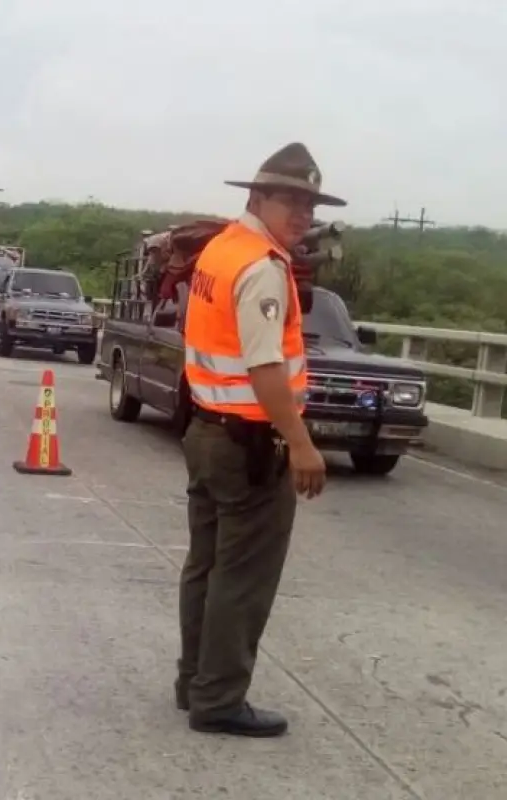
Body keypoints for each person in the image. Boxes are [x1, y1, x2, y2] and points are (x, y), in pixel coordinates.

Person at [176, 142, 339, 738]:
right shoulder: (262, 266)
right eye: (290, 200)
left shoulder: (221, 249)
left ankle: (193, 680)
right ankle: (218, 698)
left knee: (208, 566)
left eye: (309, 204)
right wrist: (300, 443)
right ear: (257, 197)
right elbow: (266, 367)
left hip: (207, 430)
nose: (302, 214)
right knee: (241, 577)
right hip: (249, 443)